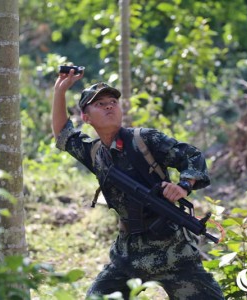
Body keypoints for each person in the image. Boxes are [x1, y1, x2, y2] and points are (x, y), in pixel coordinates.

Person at [52, 68, 224, 300]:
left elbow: (191, 156)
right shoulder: (94, 153)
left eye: (113, 101)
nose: (109, 106)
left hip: (173, 253)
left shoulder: (144, 140)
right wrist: (59, 91)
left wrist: (183, 185)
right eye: (100, 104)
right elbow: (63, 135)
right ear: (86, 117)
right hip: (128, 256)